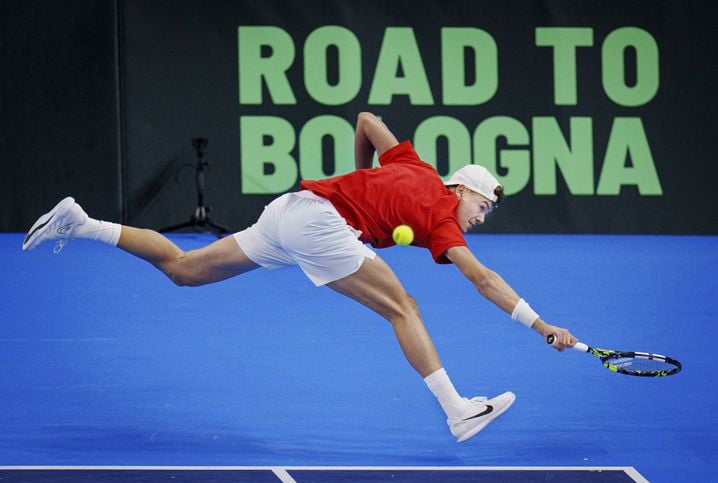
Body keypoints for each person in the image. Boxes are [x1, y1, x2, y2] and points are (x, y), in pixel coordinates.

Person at [22, 112, 577, 443]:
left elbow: (366, 121)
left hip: (289, 209)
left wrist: (363, 173)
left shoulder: (413, 166)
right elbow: (482, 280)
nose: (483, 216)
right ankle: (458, 412)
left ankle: (83, 222)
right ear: (462, 189)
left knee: (185, 271)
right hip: (320, 222)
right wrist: (541, 325)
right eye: (483, 204)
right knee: (402, 307)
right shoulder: (439, 211)